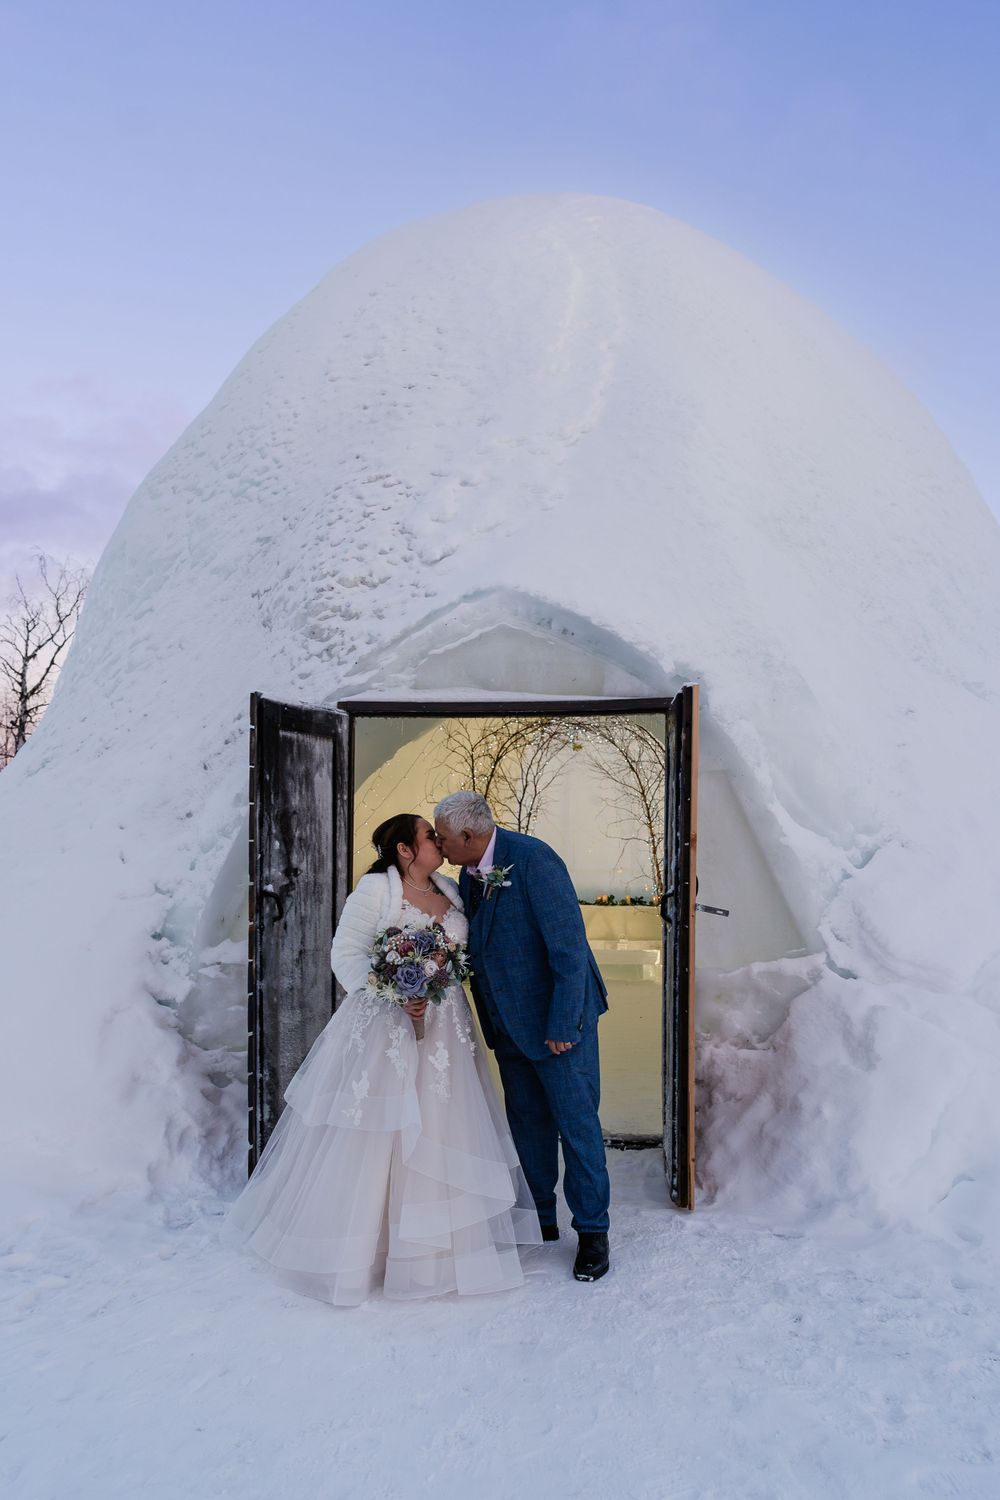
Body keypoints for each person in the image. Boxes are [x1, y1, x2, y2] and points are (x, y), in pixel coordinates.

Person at [223, 812, 541, 1305]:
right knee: (381, 1133)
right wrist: (393, 993)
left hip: (446, 1033)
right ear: (404, 851)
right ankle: (365, 1249)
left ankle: (438, 1251)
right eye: (428, 836)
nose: (437, 841)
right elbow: (345, 954)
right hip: (387, 1028)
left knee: (443, 1125)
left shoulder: (454, 891)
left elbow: (461, 953)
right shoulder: (373, 892)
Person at [433, 791, 612, 1283]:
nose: (441, 847)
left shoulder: (534, 861)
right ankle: (541, 1221)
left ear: (469, 836)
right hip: (508, 1027)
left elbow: (570, 951)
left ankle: (594, 1232)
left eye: (445, 839)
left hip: (558, 1028)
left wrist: (562, 1025)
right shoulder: (469, 876)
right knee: (529, 1125)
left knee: (576, 1129)